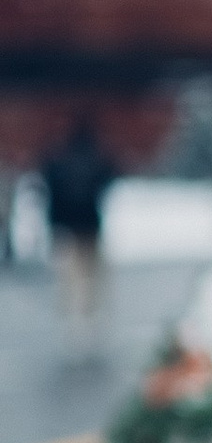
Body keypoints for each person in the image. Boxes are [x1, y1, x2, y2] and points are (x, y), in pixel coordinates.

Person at [41, 117, 113, 347]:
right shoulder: (93, 161)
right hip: (86, 228)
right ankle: (85, 318)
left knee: (73, 280)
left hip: (70, 229)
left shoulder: (59, 162)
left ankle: (78, 319)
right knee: (87, 280)